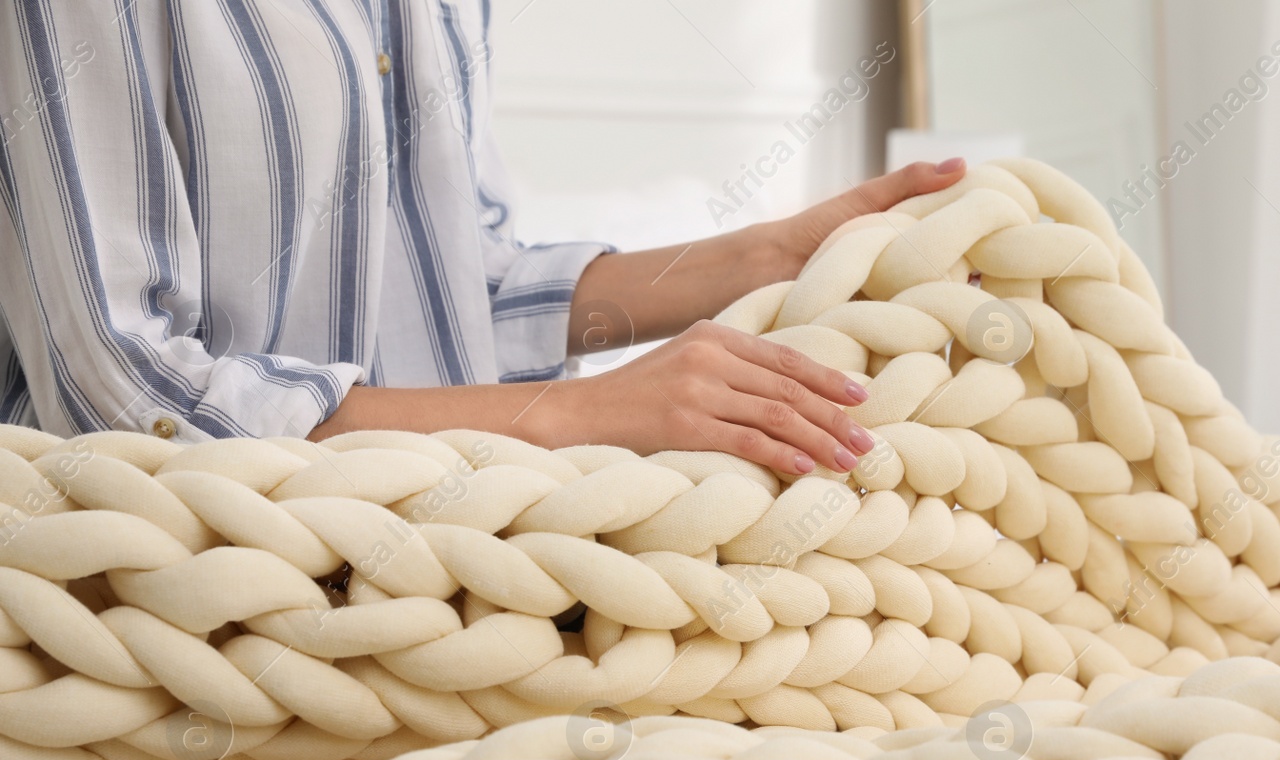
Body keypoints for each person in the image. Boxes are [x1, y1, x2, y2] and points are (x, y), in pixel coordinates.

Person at [0, 2, 965, 477]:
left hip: (452, 553)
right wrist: (566, 419)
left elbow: (466, 286)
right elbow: (124, 392)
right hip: (179, 608)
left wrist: (773, 257)